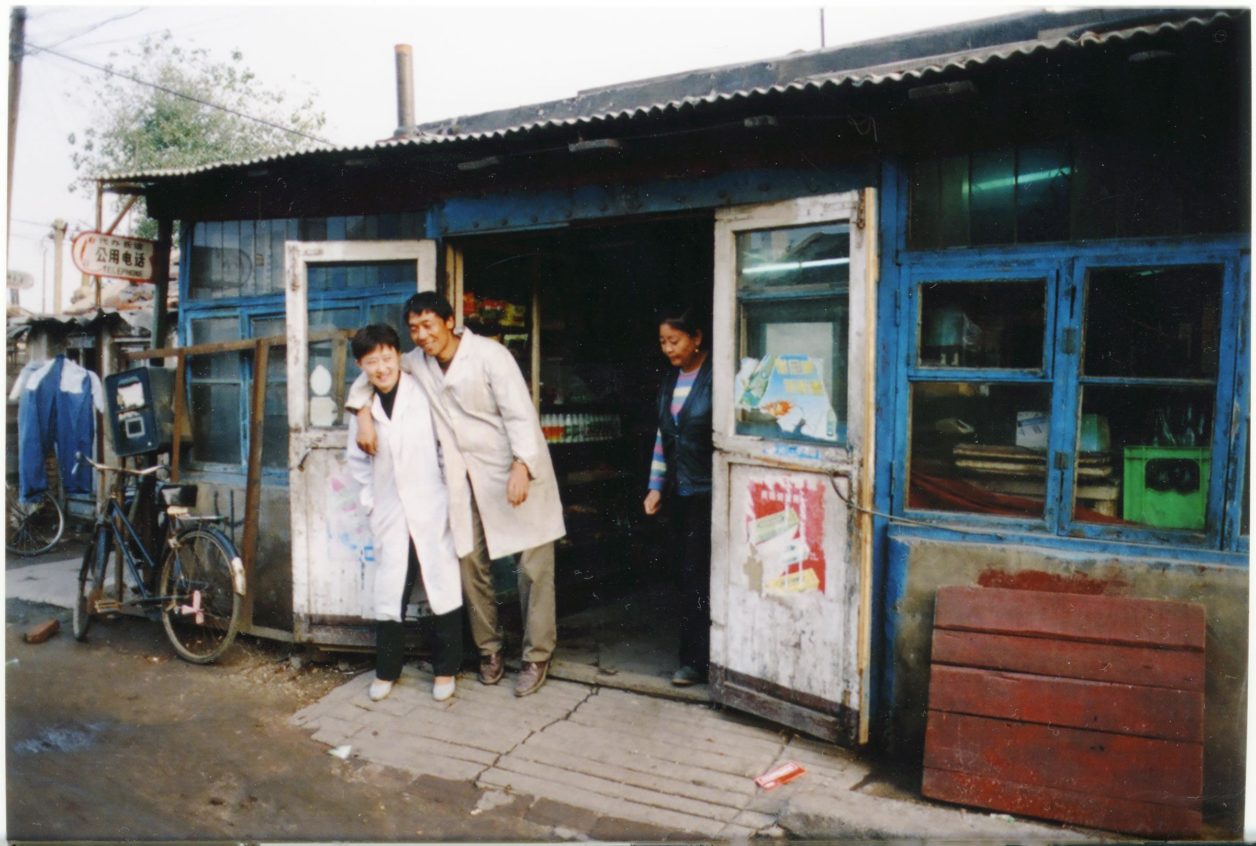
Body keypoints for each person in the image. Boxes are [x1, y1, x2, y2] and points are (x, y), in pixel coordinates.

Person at [348, 292, 565, 698]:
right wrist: (362, 416)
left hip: (514, 468)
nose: (422, 335)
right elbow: (373, 370)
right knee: (470, 562)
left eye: (428, 325)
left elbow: (520, 413)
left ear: (450, 322)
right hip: (464, 479)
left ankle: (536, 655)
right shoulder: (417, 360)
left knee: (533, 566)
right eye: (414, 328)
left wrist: (522, 464)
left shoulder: (490, 355)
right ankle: (490, 651)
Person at [345, 324, 464, 703]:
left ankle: (446, 670)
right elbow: (358, 463)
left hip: (431, 505)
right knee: (390, 589)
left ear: (398, 355)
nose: (381, 368)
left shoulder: (422, 392)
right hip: (390, 509)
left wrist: (447, 495)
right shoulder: (364, 408)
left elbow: (445, 448)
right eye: (370, 362)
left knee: (442, 585)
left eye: (385, 358)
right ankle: (386, 671)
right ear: (361, 366)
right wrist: (371, 502)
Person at [642, 305, 713, 686]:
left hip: (710, 493)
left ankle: (705, 660)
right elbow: (663, 436)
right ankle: (694, 659)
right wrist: (655, 486)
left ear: (696, 337)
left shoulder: (716, 377)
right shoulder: (671, 380)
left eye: (675, 340)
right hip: (681, 493)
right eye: (663, 342)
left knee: (701, 576)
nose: (668, 349)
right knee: (687, 575)